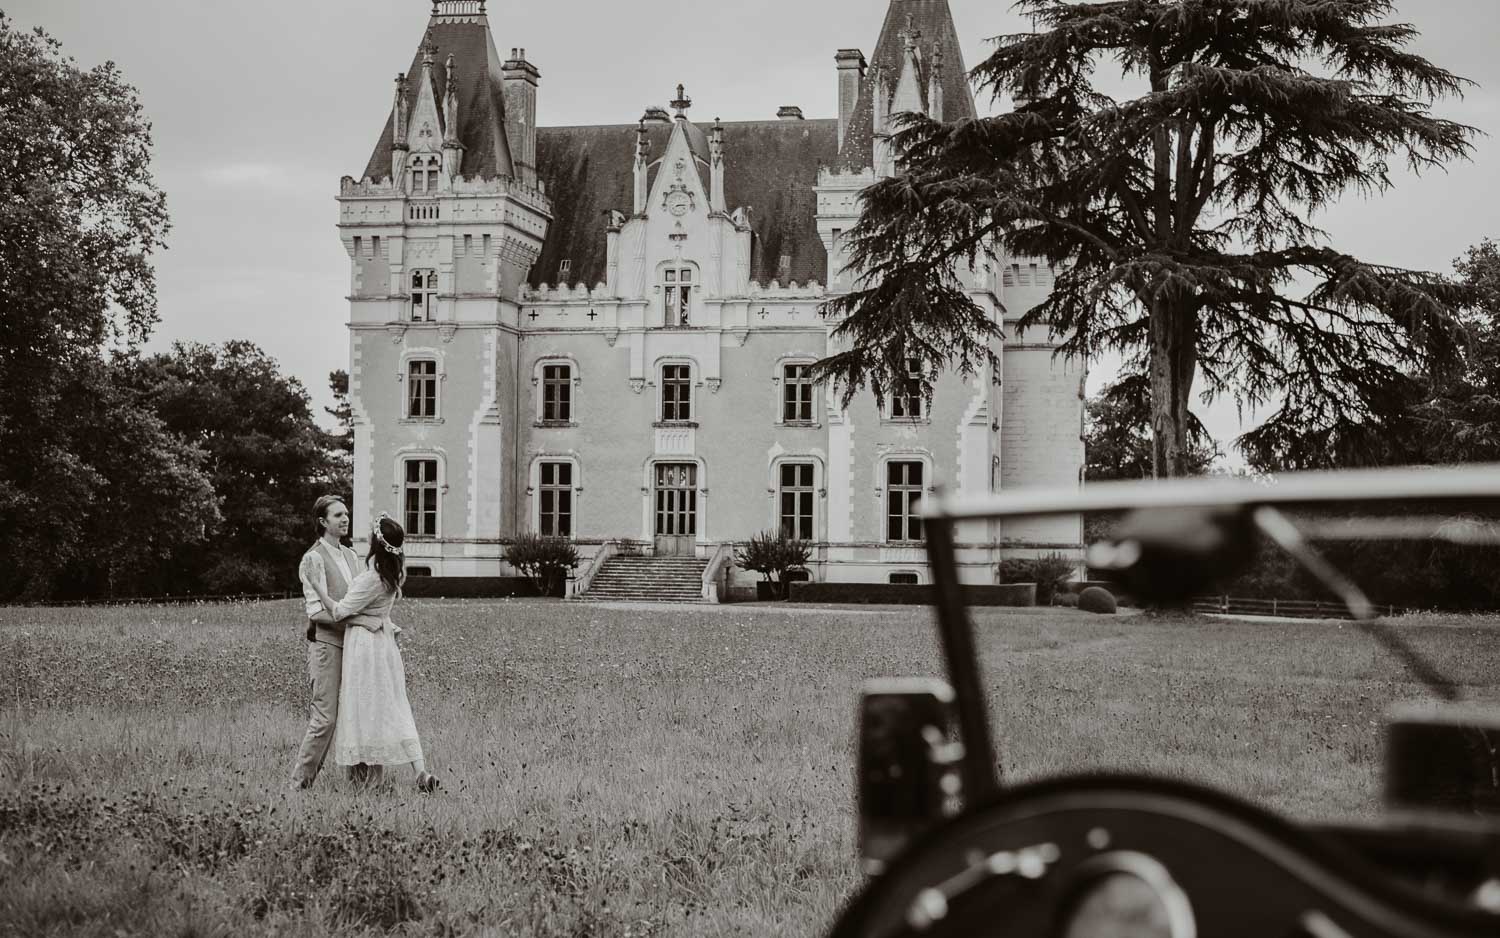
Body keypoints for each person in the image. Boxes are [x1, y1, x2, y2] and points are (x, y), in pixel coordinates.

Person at [309, 512, 439, 793]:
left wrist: (317, 585)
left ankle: (369, 779)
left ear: (377, 543)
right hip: (383, 645)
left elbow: (340, 611)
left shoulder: (373, 578)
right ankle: (418, 771)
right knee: (392, 705)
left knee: (365, 707)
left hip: (365, 647)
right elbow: (371, 610)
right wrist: (371, 618)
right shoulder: (391, 574)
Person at [288, 495, 382, 791]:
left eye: (346, 514)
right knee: (326, 719)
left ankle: (362, 785)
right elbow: (316, 612)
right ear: (322, 521)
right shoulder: (313, 559)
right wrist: (359, 621)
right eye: (338, 515)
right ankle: (299, 785)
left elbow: (361, 600)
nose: (345, 519)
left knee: (359, 713)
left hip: (356, 646)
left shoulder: (353, 556)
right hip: (327, 647)